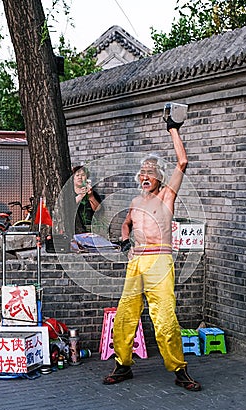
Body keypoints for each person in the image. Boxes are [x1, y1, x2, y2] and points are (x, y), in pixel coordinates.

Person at [103, 114, 201, 391]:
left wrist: (173, 129)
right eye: (143, 172)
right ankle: (122, 365)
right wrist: (124, 240)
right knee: (125, 315)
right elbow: (126, 223)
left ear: (159, 178)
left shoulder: (167, 196)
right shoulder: (135, 201)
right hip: (136, 261)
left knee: (165, 317)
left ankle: (180, 371)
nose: (146, 176)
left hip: (159, 259)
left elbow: (182, 162)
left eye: (151, 172)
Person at [73, 165, 102, 234]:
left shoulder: (92, 193)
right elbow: (68, 208)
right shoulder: (69, 193)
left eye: (83, 175)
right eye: (77, 175)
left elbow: (98, 209)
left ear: (87, 178)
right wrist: (80, 196)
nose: (80, 177)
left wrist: (91, 196)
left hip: (89, 231)